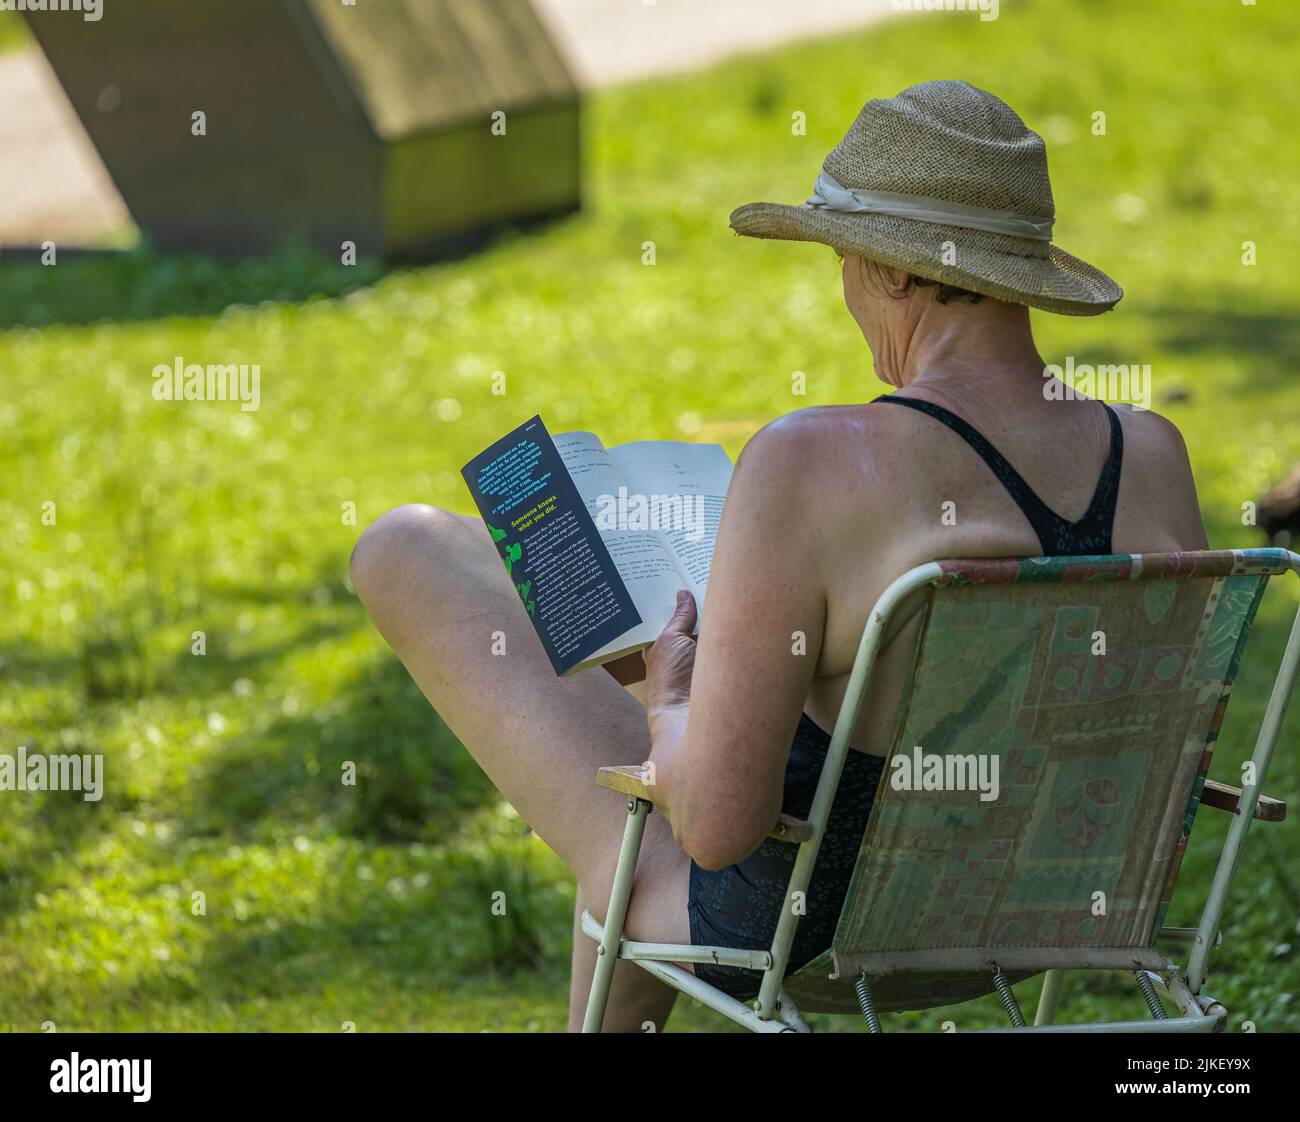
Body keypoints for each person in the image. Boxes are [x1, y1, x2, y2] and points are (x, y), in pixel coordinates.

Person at [349, 80, 1207, 1031]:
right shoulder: (1153, 456)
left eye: (841, 255)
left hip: (817, 928)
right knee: (641, 807)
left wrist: (671, 702)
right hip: (1056, 908)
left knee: (409, 551)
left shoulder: (815, 463)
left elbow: (717, 831)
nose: (842, 285)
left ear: (894, 270)